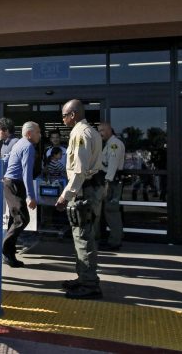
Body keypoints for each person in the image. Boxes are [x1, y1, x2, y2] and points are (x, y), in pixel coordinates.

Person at [55, 99, 105, 300]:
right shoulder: (91, 131)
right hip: (92, 188)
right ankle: (84, 277)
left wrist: (65, 196)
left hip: (83, 191)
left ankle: (90, 284)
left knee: (82, 237)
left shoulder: (79, 133)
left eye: (65, 115)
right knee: (87, 235)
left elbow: (79, 171)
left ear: (73, 114)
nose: (63, 119)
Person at [2, 121, 41, 268]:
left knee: (15, 219)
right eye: (38, 132)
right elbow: (27, 173)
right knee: (22, 219)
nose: (40, 135)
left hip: (9, 183)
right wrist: (31, 196)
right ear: (29, 133)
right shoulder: (28, 147)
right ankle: (5, 248)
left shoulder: (18, 143)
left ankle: (9, 255)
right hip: (14, 184)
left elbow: (6, 161)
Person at [98, 122, 126, 250]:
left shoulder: (114, 144)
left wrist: (107, 185)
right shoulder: (109, 144)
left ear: (109, 130)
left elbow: (112, 167)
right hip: (110, 181)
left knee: (112, 211)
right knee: (108, 211)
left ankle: (115, 242)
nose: (100, 133)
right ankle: (112, 239)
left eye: (102, 130)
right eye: (99, 131)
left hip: (112, 182)